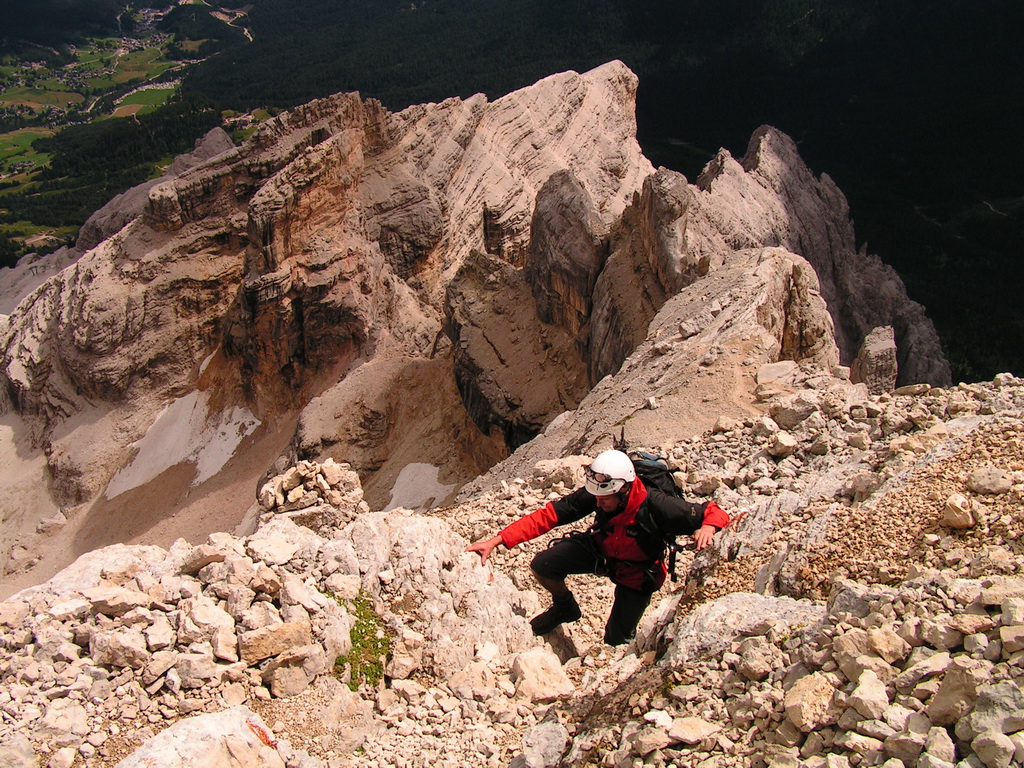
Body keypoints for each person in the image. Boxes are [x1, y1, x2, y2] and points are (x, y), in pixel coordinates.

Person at [466, 449, 730, 645]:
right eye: (596, 498)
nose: (598, 503)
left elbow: (713, 511)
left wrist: (707, 528)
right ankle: (565, 607)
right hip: (601, 552)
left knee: (616, 640)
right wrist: (499, 540)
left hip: (637, 575)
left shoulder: (658, 504)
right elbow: (550, 515)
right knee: (543, 565)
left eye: (605, 500)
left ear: (624, 490)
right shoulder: (600, 493)